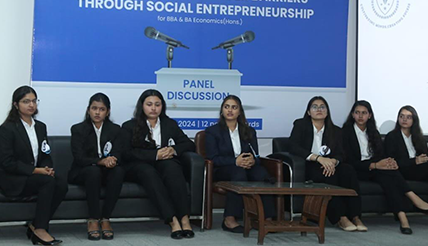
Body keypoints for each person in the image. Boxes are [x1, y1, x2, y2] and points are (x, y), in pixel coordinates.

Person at [343, 100, 428, 234]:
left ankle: (402, 216)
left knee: (389, 173)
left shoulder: (373, 132)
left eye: (364, 113)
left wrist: (385, 163)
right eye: (357, 113)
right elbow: (348, 160)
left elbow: (380, 154)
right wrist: (377, 164)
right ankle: (413, 199)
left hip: (375, 168)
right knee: (388, 172)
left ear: (369, 115)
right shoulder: (345, 132)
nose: (360, 116)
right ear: (352, 115)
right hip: (358, 169)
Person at [121, 89, 195, 239]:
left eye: (157, 104)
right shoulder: (129, 126)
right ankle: (172, 220)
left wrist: (173, 150)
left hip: (163, 162)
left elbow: (188, 144)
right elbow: (126, 153)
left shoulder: (169, 124)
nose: (153, 108)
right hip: (138, 165)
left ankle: (184, 218)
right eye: (149, 104)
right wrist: (155, 154)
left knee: (173, 167)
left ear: (162, 106)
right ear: (142, 106)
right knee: (148, 172)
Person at [0, 86, 68, 245]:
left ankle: (35, 223)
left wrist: (47, 168)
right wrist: (36, 171)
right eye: (26, 101)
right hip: (13, 178)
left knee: (61, 184)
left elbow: (45, 153)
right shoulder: (7, 129)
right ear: (16, 105)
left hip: (36, 175)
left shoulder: (40, 126)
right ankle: (40, 229)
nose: (31, 105)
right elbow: (7, 162)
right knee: (48, 181)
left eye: (33, 101)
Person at [286, 96, 364, 232]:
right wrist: (317, 158)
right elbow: (293, 147)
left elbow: (341, 154)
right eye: (314, 107)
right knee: (328, 175)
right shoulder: (300, 125)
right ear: (309, 112)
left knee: (348, 171)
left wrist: (333, 161)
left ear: (327, 112)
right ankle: (340, 217)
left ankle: (356, 216)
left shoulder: (335, 130)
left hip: (330, 163)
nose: (319, 110)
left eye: (322, 107)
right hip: (309, 165)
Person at [205, 95, 275, 233]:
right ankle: (230, 219)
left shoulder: (249, 131)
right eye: (227, 107)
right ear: (222, 111)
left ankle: (266, 218)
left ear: (239, 111)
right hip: (223, 169)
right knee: (238, 172)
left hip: (246, 167)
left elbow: (256, 155)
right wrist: (235, 161)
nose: (230, 110)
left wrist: (253, 161)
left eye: (234, 107)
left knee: (261, 173)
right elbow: (213, 158)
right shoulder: (212, 132)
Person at [68, 93, 125, 241]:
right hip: (83, 171)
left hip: (106, 171)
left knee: (118, 171)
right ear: (88, 110)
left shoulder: (115, 130)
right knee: (93, 171)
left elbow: (119, 152)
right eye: (94, 108)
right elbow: (79, 158)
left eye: (102, 109)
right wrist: (101, 161)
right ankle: (93, 219)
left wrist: (113, 160)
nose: (97, 112)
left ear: (108, 111)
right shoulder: (78, 129)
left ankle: (105, 218)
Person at [385, 105, 428, 181]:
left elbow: (424, 156)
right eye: (402, 116)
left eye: (408, 117)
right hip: (402, 171)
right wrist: (415, 161)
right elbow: (392, 161)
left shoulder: (419, 138)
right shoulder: (391, 137)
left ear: (414, 120)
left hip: (419, 169)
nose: (404, 119)